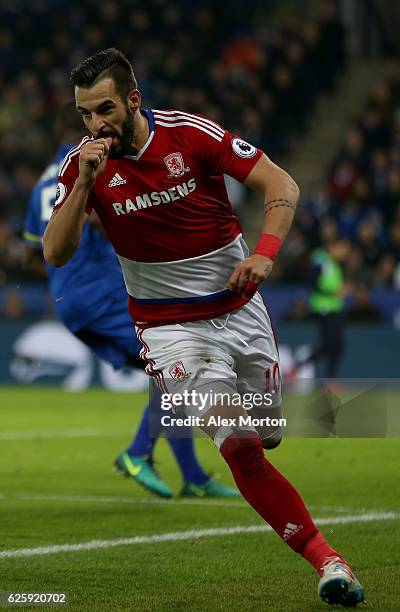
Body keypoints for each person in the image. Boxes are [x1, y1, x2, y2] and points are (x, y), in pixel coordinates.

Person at [43, 48, 365, 607]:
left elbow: (281, 183)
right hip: (169, 330)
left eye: (105, 110)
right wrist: (83, 186)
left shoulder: (189, 136)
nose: (95, 125)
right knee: (238, 443)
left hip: (240, 310)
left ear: (134, 100)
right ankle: (328, 560)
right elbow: (55, 251)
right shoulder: (83, 165)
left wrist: (264, 255)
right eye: (85, 115)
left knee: (266, 432)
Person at [24, 102, 238, 500]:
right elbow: (112, 218)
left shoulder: (44, 181)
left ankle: (193, 476)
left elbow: (33, 248)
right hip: (101, 290)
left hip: (69, 299)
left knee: (171, 373)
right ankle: (139, 453)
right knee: (179, 363)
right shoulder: (89, 170)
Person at [295, 239, 349, 378]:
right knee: (328, 345)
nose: (345, 252)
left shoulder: (335, 265)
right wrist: (334, 292)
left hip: (335, 308)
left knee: (337, 346)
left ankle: (330, 380)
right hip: (323, 308)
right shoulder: (321, 260)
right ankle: (297, 368)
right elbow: (313, 283)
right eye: (342, 248)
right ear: (332, 247)